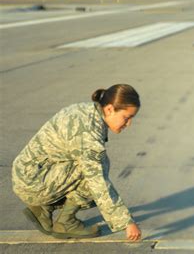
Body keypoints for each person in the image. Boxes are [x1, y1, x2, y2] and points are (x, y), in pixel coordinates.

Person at [11, 84, 142, 241]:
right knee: (95, 168)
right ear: (109, 109)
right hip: (33, 183)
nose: (128, 124)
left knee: (94, 163)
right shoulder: (87, 132)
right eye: (126, 118)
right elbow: (97, 181)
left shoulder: (88, 111)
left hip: (31, 175)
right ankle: (65, 221)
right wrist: (126, 222)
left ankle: (43, 210)